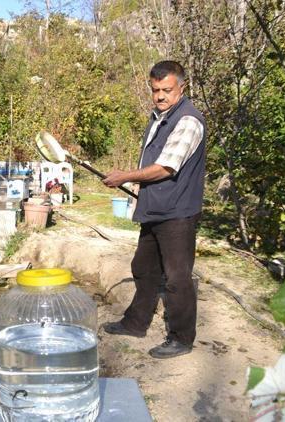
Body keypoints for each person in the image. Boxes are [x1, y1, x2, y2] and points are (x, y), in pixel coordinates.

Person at [101, 60, 206, 359]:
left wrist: (126, 176)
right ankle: (135, 323)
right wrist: (135, 186)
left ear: (182, 88)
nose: (160, 96)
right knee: (144, 267)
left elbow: (166, 168)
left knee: (177, 277)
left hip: (177, 212)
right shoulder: (160, 117)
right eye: (155, 90)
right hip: (156, 208)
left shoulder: (187, 120)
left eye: (167, 90)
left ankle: (182, 338)